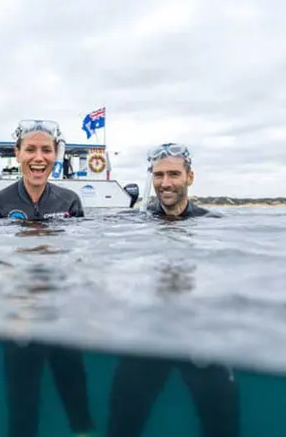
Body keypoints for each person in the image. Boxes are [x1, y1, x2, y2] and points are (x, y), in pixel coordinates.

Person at [107, 143, 239, 437]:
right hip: (146, 334)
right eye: (159, 175)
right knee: (121, 428)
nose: (165, 183)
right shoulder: (132, 222)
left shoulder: (212, 223)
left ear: (190, 177)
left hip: (199, 334)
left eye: (174, 174)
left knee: (223, 427)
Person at [0, 119, 94, 437]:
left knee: (78, 407)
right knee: (22, 410)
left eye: (46, 150)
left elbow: (77, 257)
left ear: (56, 155)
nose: (39, 157)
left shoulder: (70, 201)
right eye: (30, 149)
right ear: (17, 154)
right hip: (19, 315)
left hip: (60, 311)